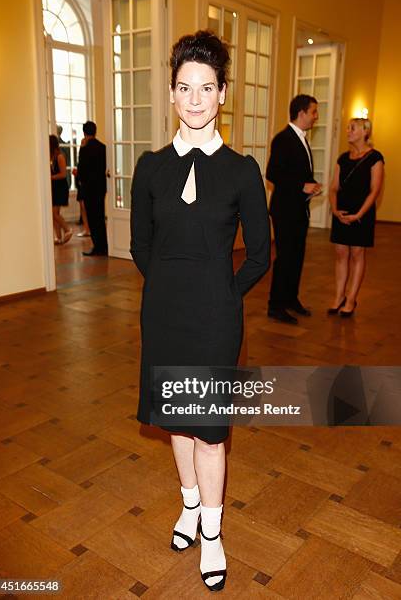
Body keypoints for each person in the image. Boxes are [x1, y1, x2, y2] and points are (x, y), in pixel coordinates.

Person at [130, 30, 270, 592]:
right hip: (164, 315)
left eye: (206, 88)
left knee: (210, 430)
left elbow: (260, 254)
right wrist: (170, 287)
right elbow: (141, 246)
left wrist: (224, 293)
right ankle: (189, 505)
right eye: (184, 87)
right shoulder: (151, 167)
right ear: (171, 92)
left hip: (216, 319)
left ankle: (212, 531)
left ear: (223, 92)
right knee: (176, 422)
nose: (194, 100)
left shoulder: (241, 170)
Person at [266, 94, 322, 324]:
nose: (316, 117)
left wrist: (311, 186)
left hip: (299, 210)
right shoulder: (283, 139)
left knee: (297, 257)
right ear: (301, 113)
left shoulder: (302, 139)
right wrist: (302, 186)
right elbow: (273, 174)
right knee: (286, 258)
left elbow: (297, 172)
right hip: (285, 211)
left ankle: (291, 299)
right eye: (314, 112)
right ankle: (275, 306)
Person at [328, 118, 384, 316]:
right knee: (341, 254)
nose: (348, 131)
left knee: (357, 254)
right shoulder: (343, 158)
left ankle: (351, 300)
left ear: (365, 132)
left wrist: (359, 214)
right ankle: (338, 297)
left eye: (352, 128)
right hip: (341, 212)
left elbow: (374, 191)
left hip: (362, 214)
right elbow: (333, 188)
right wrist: (335, 211)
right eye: (348, 128)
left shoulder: (375, 158)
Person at [77, 121, 108, 256]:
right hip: (100, 187)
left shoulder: (85, 148)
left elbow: (81, 170)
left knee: (92, 219)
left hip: (89, 189)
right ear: (95, 131)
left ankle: (97, 247)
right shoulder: (103, 147)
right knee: (100, 217)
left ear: (84, 132)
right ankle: (104, 245)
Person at [49, 134, 72, 245]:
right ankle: (58, 237)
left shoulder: (60, 157)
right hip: (55, 188)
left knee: (55, 213)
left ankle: (67, 230)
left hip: (60, 188)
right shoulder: (52, 158)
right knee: (54, 214)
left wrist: (50, 177)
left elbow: (63, 174)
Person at [72, 137, 91, 237]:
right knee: (82, 207)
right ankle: (86, 228)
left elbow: (86, 172)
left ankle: (88, 229)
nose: (81, 145)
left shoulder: (86, 155)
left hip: (85, 186)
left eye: (83, 143)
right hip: (81, 185)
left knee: (85, 207)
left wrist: (78, 173)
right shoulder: (81, 156)